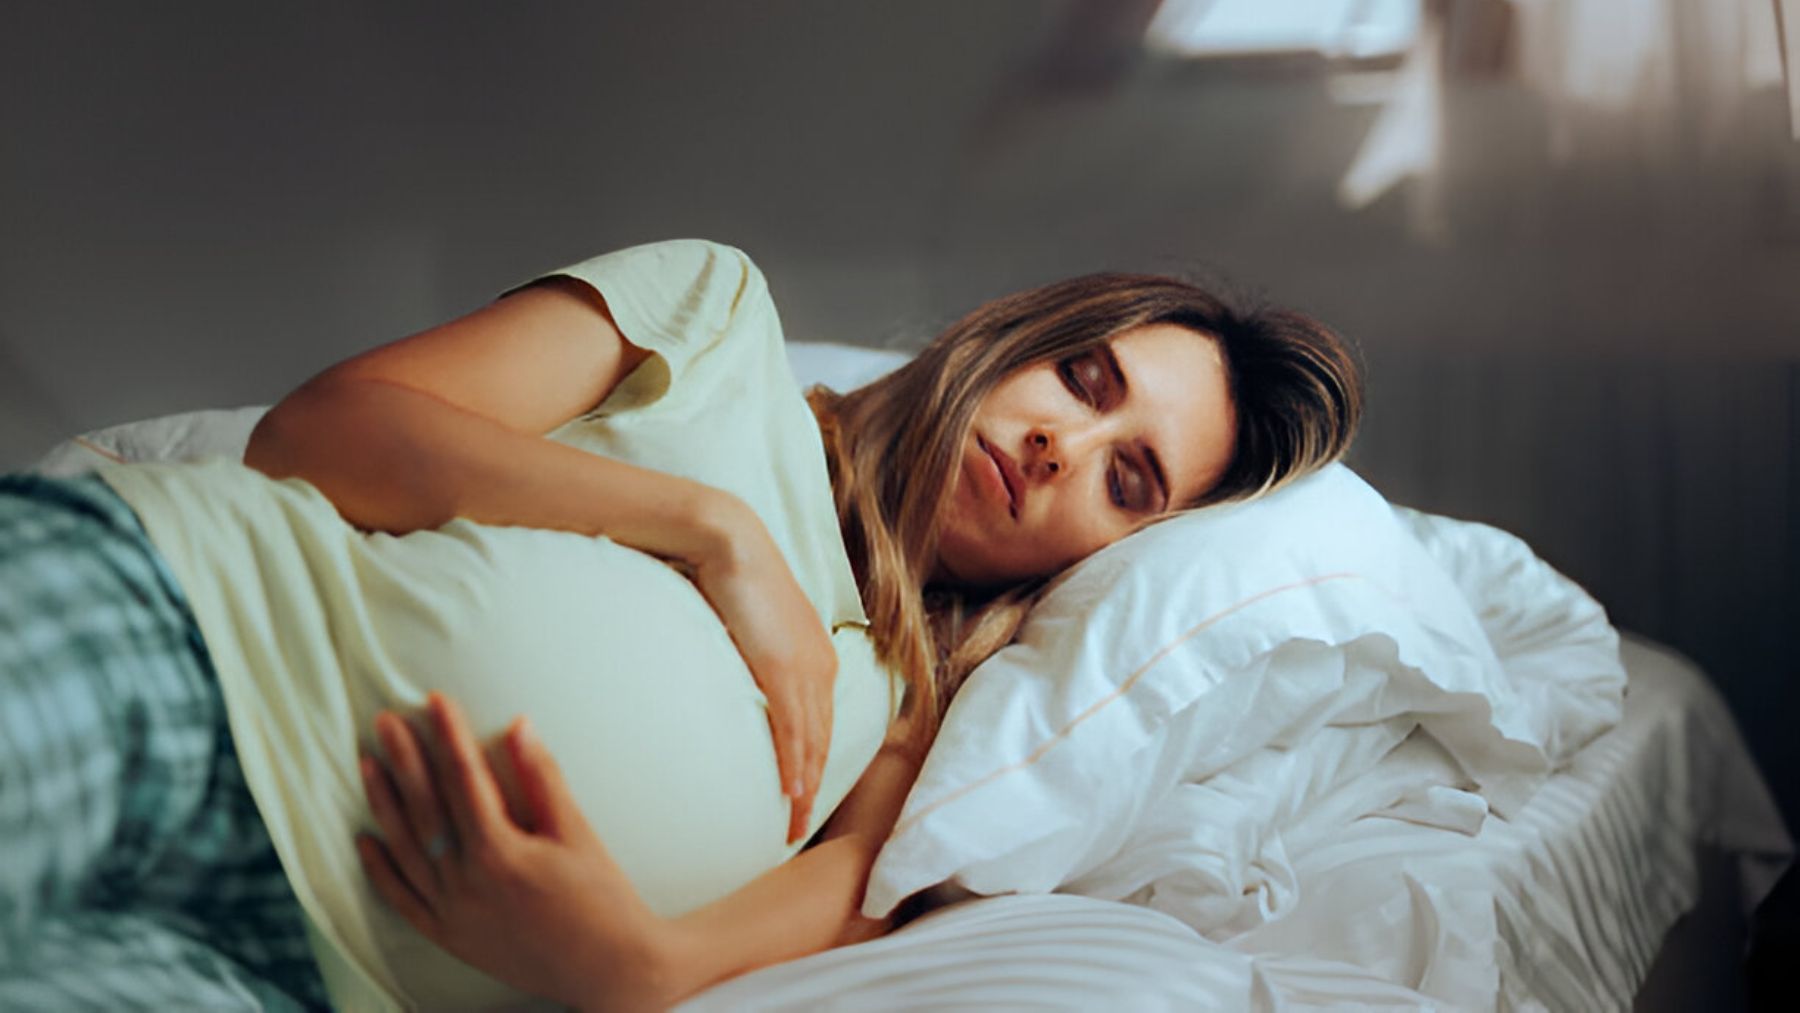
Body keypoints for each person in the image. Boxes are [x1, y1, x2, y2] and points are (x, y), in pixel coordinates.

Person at [0, 239, 1360, 1010]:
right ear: (1017, 337)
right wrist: (708, 531)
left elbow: (845, 900)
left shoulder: (926, 708)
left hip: (309, 971)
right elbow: (320, 435)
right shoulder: (717, 313)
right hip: (170, 642)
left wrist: (629, 964)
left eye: (1130, 477)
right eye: (1085, 376)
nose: (1067, 443)